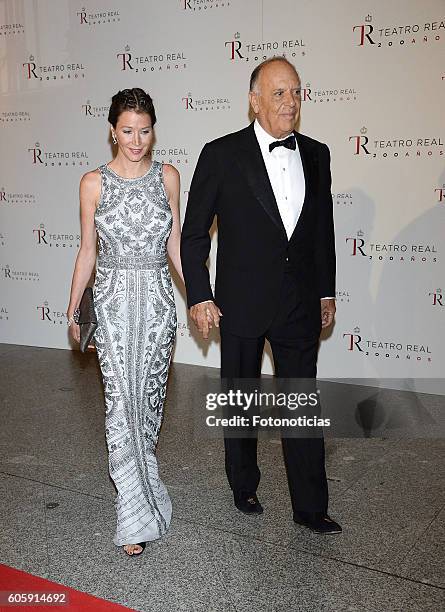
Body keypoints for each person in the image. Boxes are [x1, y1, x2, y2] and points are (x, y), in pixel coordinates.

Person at [181, 58, 341, 534]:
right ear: (254, 100)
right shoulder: (221, 154)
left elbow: (322, 233)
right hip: (241, 301)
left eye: (296, 92)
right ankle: (243, 483)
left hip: (298, 303)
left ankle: (311, 506)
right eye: (279, 93)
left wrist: (326, 291)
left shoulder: (317, 153)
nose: (290, 102)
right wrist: (200, 295)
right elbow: (192, 234)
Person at [67, 88, 182, 556]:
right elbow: (87, 250)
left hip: (157, 306)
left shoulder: (169, 177)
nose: (137, 140)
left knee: (148, 411)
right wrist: (75, 308)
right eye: (128, 131)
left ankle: (150, 491)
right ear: (113, 131)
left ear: (154, 131)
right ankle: (132, 515)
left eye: (145, 130)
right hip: (112, 306)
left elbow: (176, 245)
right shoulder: (92, 183)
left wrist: (201, 297)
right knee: (119, 407)